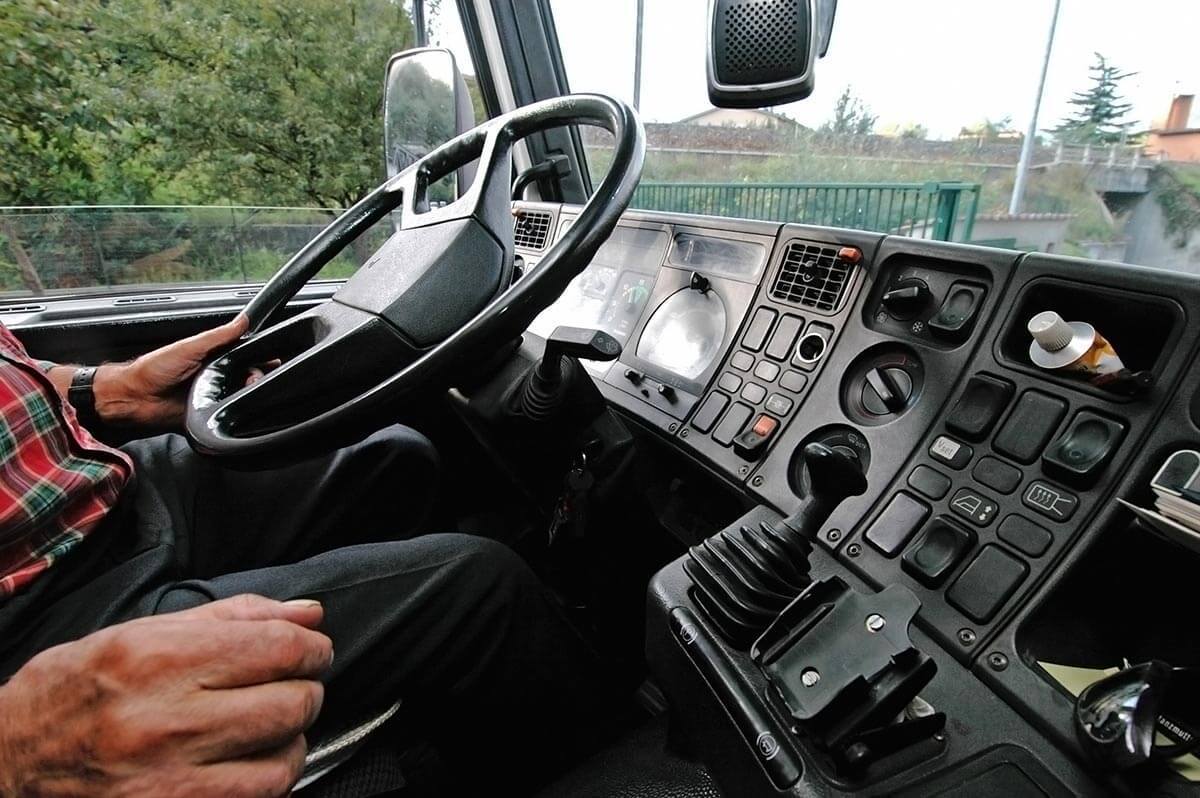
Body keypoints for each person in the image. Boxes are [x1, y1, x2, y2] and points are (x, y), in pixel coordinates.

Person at [0, 315, 596, 796]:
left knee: (395, 458)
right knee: (481, 591)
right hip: (39, 612)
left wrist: (105, 389)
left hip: (99, 489)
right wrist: (16, 745)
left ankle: (422, 716)